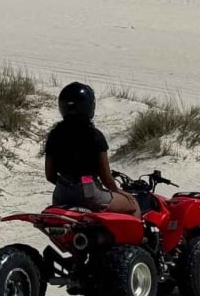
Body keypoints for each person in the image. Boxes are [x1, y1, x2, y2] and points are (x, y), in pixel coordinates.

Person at [44, 82, 138, 214]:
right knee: (133, 204)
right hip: (89, 191)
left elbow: (49, 175)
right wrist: (117, 191)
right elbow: (105, 176)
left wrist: (68, 185)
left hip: (61, 194)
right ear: (89, 106)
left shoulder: (54, 135)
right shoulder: (94, 136)